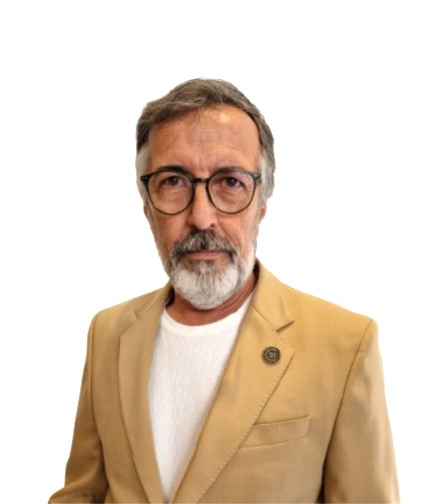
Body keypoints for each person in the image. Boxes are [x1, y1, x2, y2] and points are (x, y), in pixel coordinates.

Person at [49, 78, 399, 504]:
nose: (201, 217)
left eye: (230, 182)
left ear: (262, 203)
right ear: (147, 207)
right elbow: (82, 494)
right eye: (173, 181)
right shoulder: (107, 332)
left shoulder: (345, 345)